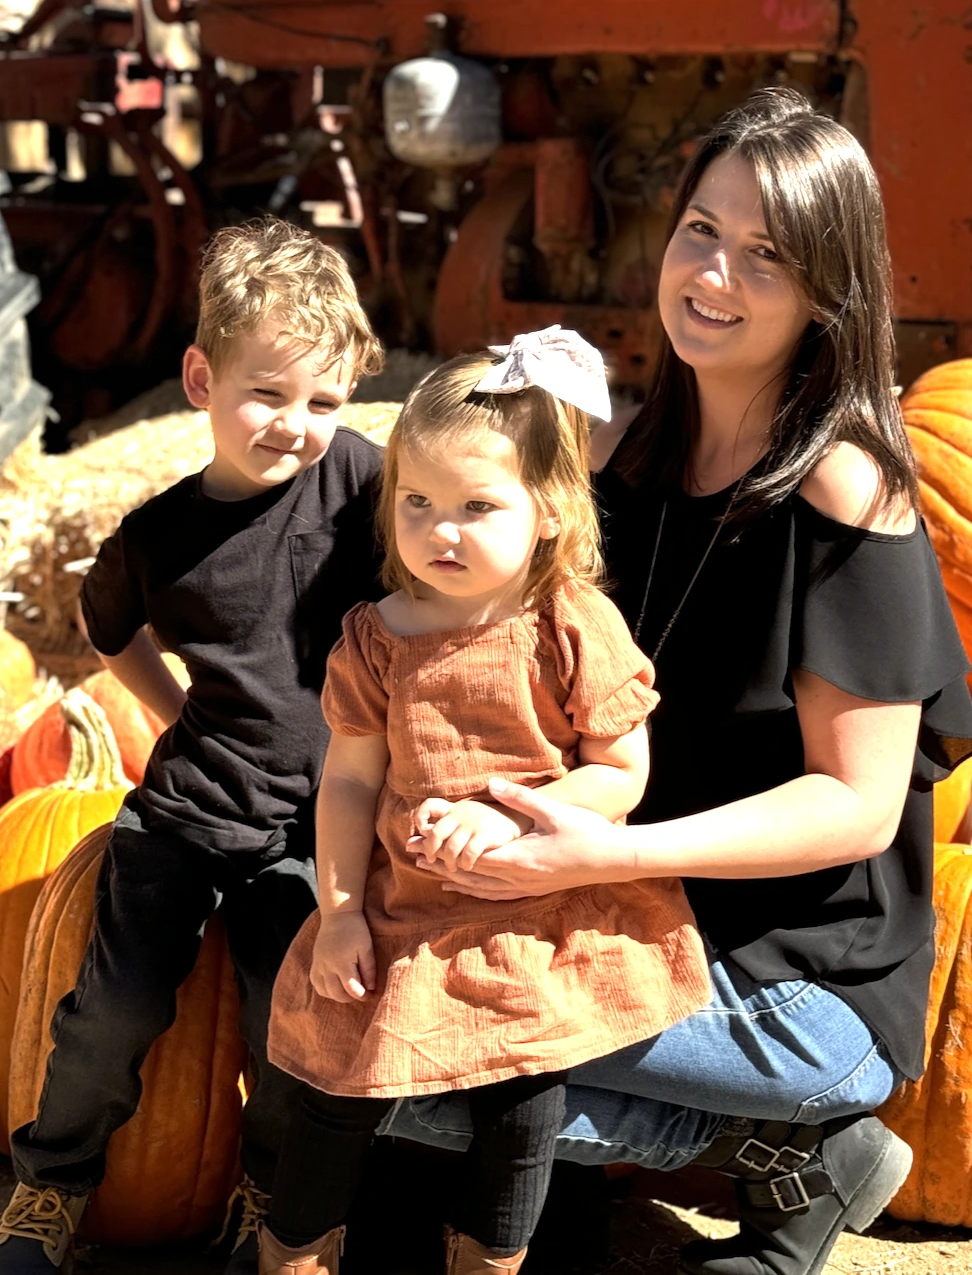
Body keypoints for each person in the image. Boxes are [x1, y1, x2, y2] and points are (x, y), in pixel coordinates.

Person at [380, 89, 972, 1275]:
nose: (714, 273)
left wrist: (599, 856)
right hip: (633, 919)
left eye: (766, 255)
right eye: (702, 229)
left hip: (802, 981)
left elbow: (854, 806)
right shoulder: (625, 463)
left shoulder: (851, 498)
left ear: (827, 291)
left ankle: (792, 1152)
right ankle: (711, 1176)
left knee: (416, 1061)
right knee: (357, 1000)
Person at [258, 331, 713, 1275]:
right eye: (417, 503)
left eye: (477, 506)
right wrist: (340, 909)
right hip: (406, 914)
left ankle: (489, 1264)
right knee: (336, 1092)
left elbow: (619, 773)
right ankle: (291, 1256)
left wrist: (516, 815)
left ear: (548, 511)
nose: (441, 531)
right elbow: (348, 779)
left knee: (520, 1113)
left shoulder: (570, 624)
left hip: (538, 915)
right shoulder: (379, 638)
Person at [0, 219, 385, 1275]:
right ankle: (48, 1186)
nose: (296, 426)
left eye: (324, 401)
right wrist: (170, 713)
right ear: (200, 377)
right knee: (110, 1013)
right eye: (268, 394)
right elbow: (105, 629)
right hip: (185, 813)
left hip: (315, 824)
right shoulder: (158, 535)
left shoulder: (365, 484)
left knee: (284, 1030)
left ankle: (262, 1186)